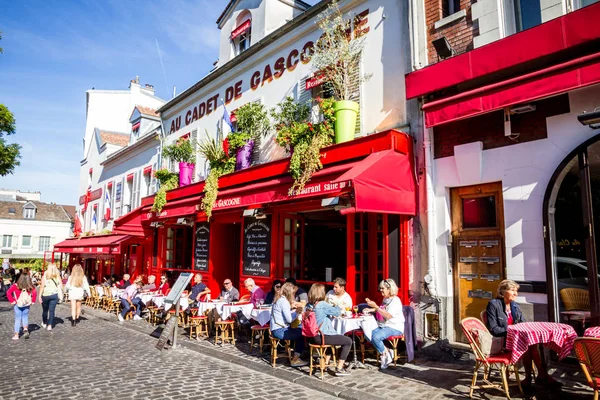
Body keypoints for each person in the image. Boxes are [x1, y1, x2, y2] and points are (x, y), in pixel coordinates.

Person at [486, 280, 560, 388]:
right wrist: (512, 331)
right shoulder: (493, 304)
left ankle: (532, 378)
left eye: (516, 290)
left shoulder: (514, 305)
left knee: (531, 344)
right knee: (529, 345)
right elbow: (494, 329)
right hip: (502, 340)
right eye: (512, 290)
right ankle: (539, 376)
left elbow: (523, 323)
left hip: (517, 339)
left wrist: (518, 332)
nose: (516, 293)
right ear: (502, 291)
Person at [307, 283, 352, 376]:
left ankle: (325, 363)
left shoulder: (310, 305)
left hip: (312, 336)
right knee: (348, 341)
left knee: (332, 340)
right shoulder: (322, 304)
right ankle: (339, 368)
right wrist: (338, 305)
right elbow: (337, 312)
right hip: (322, 336)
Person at [364, 278, 405, 370]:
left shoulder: (395, 301)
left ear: (389, 289)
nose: (380, 290)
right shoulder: (386, 299)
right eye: (380, 288)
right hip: (384, 325)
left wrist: (376, 307)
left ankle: (384, 355)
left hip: (394, 326)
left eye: (382, 288)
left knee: (376, 337)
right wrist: (371, 309)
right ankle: (387, 352)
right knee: (367, 334)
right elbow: (382, 310)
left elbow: (388, 316)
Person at [270, 282, 307, 367]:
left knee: (298, 329)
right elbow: (289, 320)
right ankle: (295, 359)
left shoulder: (278, 298)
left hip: (274, 328)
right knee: (302, 333)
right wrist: (297, 312)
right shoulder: (284, 302)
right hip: (280, 330)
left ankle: (296, 353)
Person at [7, 274, 37, 340]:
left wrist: (12, 300)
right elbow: (34, 293)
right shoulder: (30, 286)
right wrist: (33, 301)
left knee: (18, 318)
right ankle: (25, 328)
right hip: (27, 304)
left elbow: (8, 292)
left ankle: (16, 335)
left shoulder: (16, 286)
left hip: (18, 304)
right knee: (25, 316)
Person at [38, 263, 62, 331]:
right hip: (54, 295)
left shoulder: (45, 276)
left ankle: (44, 322)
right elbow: (60, 284)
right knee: (52, 311)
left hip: (45, 295)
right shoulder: (57, 276)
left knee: (45, 310)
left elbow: (42, 287)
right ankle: (50, 325)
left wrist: (39, 296)